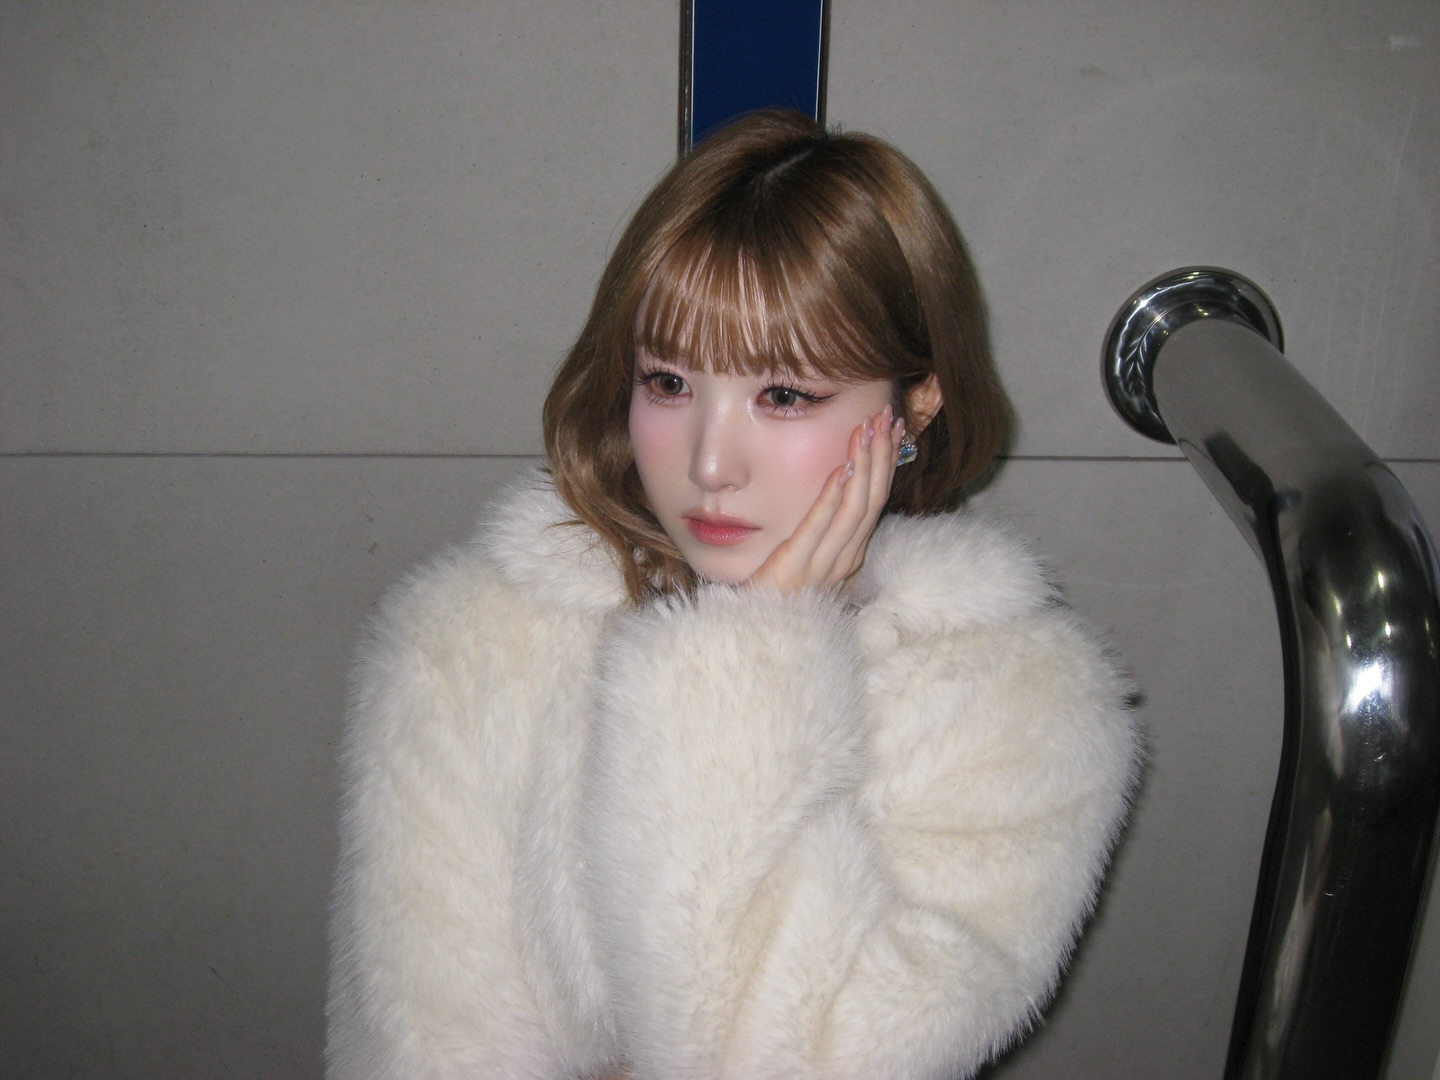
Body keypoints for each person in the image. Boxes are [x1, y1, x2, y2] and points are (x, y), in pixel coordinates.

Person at [326, 109, 1141, 1080]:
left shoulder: (1019, 708)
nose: (710, 463)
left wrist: (758, 658)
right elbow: (422, 1050)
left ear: (913, 407)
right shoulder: (474, 642)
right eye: (669, 383)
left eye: (784, 396)